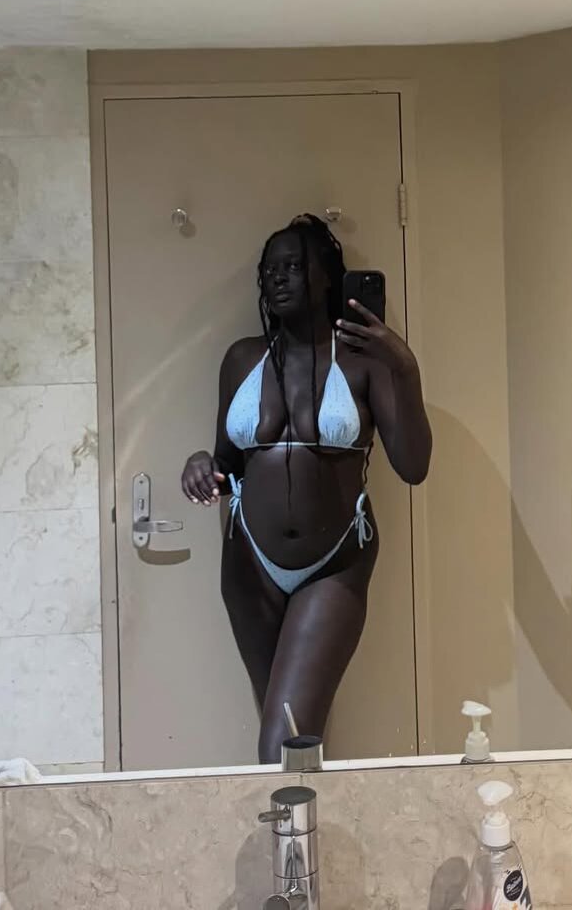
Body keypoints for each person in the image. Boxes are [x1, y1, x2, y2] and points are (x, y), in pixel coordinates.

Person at [180, 214, 432, 762]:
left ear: (326, 277)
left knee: (283, 738)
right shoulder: (241, 359)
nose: (278, 277)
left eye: (293, 265)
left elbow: (413, 466)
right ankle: (306, 817)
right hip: (248, 564)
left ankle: (290, 818)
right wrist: (201, 465)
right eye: (269, 269)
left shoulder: (364, 362)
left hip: (335, 564)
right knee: (289, 731)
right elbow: (226, 463)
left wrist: (405, 368)